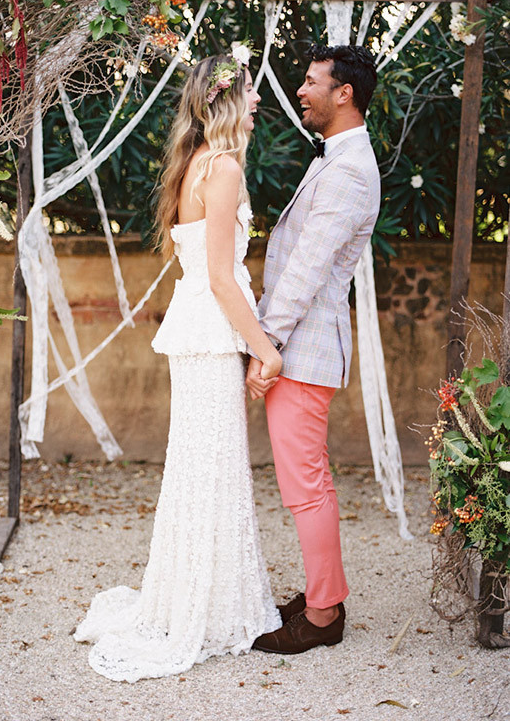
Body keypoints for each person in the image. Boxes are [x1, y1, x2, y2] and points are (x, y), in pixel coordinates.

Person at [73, 47, 282, 682]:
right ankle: (207, 607)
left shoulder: (197, 163)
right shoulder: (221, 170)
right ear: (226, 100)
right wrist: (263, 346)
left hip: (198, 334)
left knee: (202, 466)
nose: (255, 101)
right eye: (249, 92)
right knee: (210, 466)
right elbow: (222, 277)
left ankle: (203, 594)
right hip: (212, 334)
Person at [247, 44, 380, 654]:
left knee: (306, 484)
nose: (300, 91)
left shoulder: (351, 167)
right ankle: (322, 594)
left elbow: (306, 266)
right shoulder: (338, 157)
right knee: (308, 479)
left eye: (309, 81)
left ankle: (324, 615)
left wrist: (266, 340)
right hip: (299, 346)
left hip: (303, 348)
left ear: (343, 92)